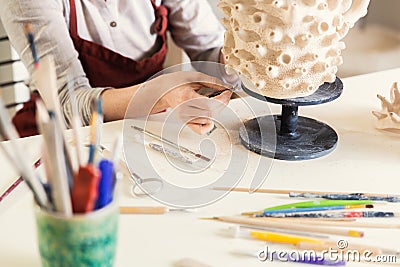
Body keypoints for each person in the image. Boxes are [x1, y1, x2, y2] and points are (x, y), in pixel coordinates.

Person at [0, 0, 233, 136]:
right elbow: (68, 100)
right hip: (62, 134)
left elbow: (209, 52)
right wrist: (157, 95)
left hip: (147, 129)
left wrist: (243, 57)